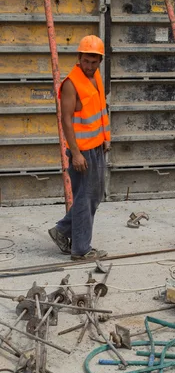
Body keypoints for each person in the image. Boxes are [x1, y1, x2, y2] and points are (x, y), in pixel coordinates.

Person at [48, 35, 110, 261]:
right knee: (85, 198)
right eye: (86, 61)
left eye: (94, 62)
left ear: (100, 61)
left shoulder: (95, 76)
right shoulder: (71, 84)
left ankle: (62, 231)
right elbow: (65, 120)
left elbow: (99, 109)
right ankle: (81, 250)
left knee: (94, 196)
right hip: (81, 152)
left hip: (96, 147)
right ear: (79, 58)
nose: (89, 66)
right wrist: (75, 153)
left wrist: (105, 138)